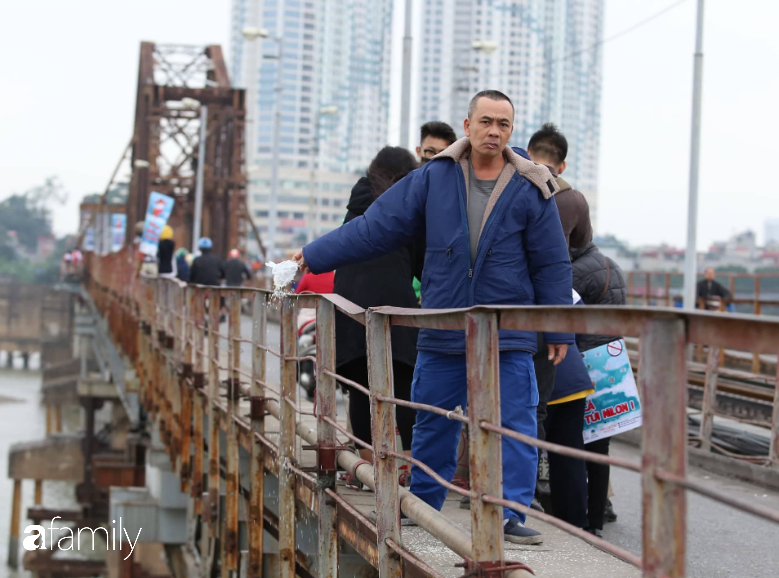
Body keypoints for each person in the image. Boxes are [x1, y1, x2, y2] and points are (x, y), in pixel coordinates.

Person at [294, 90, 573, 545]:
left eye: (503, 124)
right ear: (468, 125)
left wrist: (560, 326)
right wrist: (313, 255)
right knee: (432, 418)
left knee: (515, 423)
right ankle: (423, 501)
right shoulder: (435, 178)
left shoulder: (530, 184)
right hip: (445, 325)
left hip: (506, 333)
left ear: (511, 130)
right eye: (486, 121)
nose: (494, 131)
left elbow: (551, 262)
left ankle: (510, 515)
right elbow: (374, 227)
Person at [331, 146, 423, 492]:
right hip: (395, 303)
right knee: (404, 386)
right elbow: (421, 260)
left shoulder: (359, 199)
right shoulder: (410, 205)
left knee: (361, 387)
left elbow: (343, 239)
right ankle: (410, 469)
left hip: (352, 302)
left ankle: (368, 470)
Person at [570, 241, 627, 535]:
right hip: (610, 361)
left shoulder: (578, 272)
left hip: (586, 362)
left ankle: (582, 519)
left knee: (576, 443)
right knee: (600, 444)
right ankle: (597, 517)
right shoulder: (611, 265)